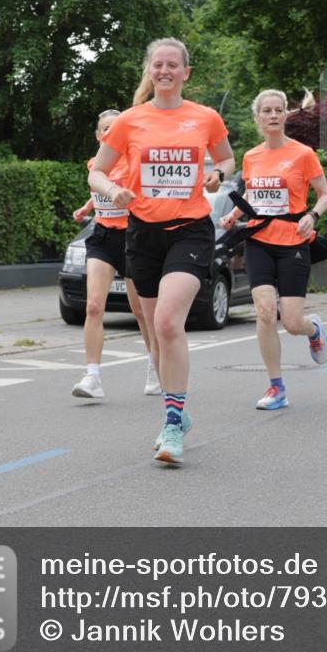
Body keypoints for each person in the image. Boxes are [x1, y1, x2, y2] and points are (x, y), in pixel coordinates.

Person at [89, 38, 235, 465]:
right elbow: (96, 172)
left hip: (190, 231)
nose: (166, 70)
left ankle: (173, 424)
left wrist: (216, 174)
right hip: (143, 233)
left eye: (174, 65)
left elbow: (227, 160)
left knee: (169, 322)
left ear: (186, 72)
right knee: (154, 330)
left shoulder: (205, 118)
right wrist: (114, 188)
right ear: (149, 71)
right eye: (159, 64)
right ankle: (176, 411)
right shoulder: (130, 121)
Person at [220, 90, 327, 411]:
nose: (272, 115)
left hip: (294, 241)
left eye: (278, 110)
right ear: (257, 117)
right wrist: (234, 215)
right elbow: (253, 197)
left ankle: (314, 331)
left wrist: (312, 215)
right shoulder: (251, 157)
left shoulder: (303, 154)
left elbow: (324, 194)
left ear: (286, 116)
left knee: (292, 321)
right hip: (259, 240)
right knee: (266, 312)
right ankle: (276, 387)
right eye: (266, 111)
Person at [71, 109, 158, 400]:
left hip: (132, 238)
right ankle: (92, 377)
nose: (110, 133)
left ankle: (155, 366)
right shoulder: (96, 163)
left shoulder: (134, 161)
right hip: (102, 236)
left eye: (115, 128)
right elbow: (100, 189)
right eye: (105, 129)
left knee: (141, 312)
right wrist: (88, 208)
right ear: (98, 135)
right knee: (94, 306)